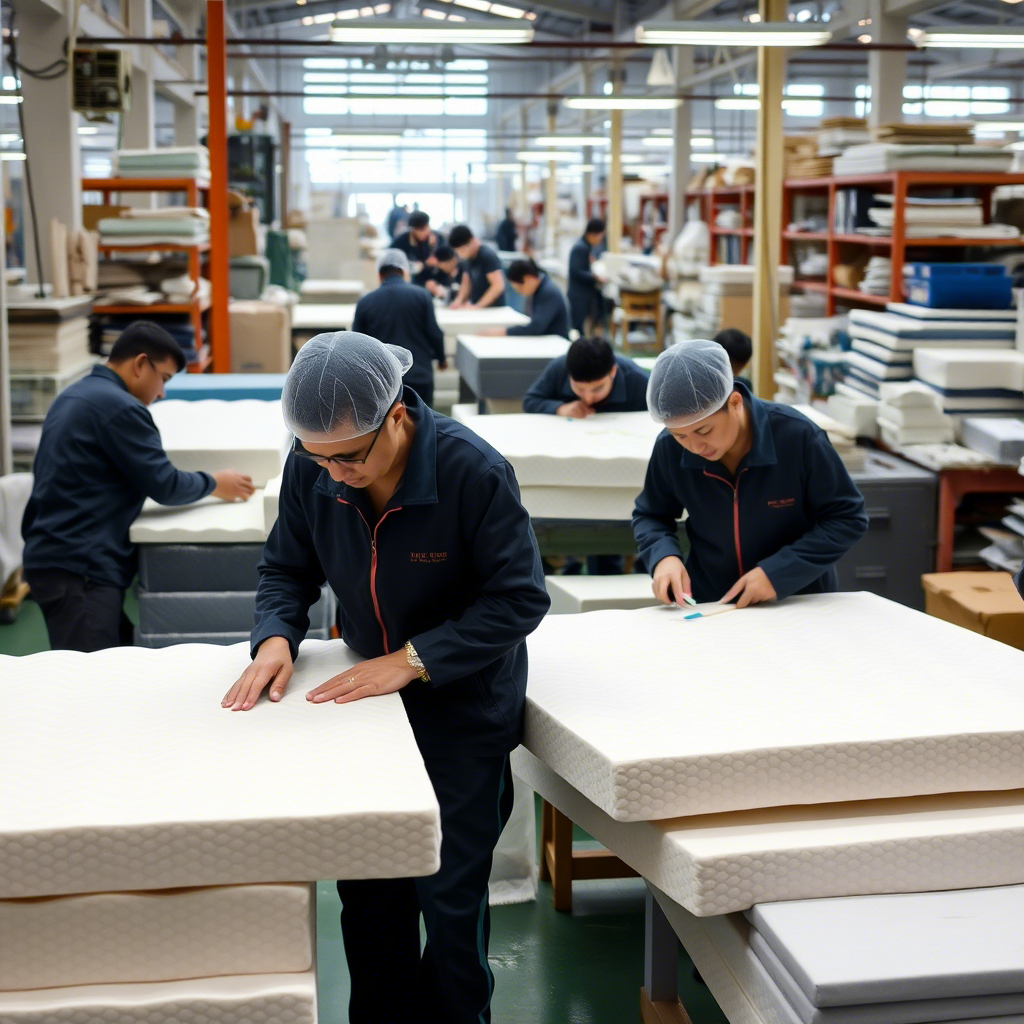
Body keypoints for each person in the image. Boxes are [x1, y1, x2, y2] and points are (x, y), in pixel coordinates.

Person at [222, 333, 549, 1024]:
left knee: (451, 908)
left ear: (396, 415)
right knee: (371, 902)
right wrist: (277, 635)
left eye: (349, 458)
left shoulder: (472, 473)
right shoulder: (313, 466)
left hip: (463, 711)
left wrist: (413, 659)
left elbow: (519, 599)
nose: (332, 473)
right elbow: (286, 567)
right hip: (369, 716)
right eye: (317, 456)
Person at [21, 321, 255, 652]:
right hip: (79, 569)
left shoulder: (77, 394)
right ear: (140, 364)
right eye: (164, 379)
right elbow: (165, 483)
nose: (161, 393)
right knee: (90, 677)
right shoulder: (119, 407)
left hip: (58, 560)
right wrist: (216, 482)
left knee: (113, 653)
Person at [633, 339, 869, 608]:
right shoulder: (670, 448)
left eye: (704, 431)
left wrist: (778, 573)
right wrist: (664, 557)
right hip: (714, 603)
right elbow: (651, 514)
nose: (694, 447)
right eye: (679, 435)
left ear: (734, 403)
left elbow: (847, 518)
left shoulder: (797, 437)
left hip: (798, 600)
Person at [352, 249, 447, 408]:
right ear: (405, 272)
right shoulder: (422, 296)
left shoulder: (365, 302)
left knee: (387, 430)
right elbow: (434, 333)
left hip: (383, 383)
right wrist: (442, 359)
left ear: (379, 275)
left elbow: (357, 346)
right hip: (419, 377)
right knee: (423, 427)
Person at [523, 336, 649, 417]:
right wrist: (560, 408)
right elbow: (530, 401)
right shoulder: (560, 367)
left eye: (597, 389)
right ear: (569, 374)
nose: (588, 399)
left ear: (613, 372)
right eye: (579, 388)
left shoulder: (637, 380)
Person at [478, 258, 570, 340]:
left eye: (519, 288)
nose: (519, 292)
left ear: (528, 278)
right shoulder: (542, 288)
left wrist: (501, 332)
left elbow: (535, 328)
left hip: (557, 344)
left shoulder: (548, 292)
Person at [448, 224, 507, 309]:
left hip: (493, 309)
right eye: (458, 252)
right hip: (478, 308)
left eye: (462, 250)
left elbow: (498, 286)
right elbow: (467, 282)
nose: (461, 254)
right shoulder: (468, 258)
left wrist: (478, 305)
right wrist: (458, 301)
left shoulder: (487, 255)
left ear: (472, 241)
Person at [568, 217, 607, 335]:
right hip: (579, 296)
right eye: (601, 236)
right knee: (577, 329)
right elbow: (576, 271)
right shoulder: (581, 247)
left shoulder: (585, 246)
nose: (601, 240)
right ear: (594, 234)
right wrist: (595, 277)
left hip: (582, 295)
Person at [391, 211, 446, 288]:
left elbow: (447, 257)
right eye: (421, 229)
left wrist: (433, 248)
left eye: (427, 227)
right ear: (413, 230)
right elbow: (391, 258)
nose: (426, 232)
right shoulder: (402, 240)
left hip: (437, 279)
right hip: (413, 281)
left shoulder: (437, 238)